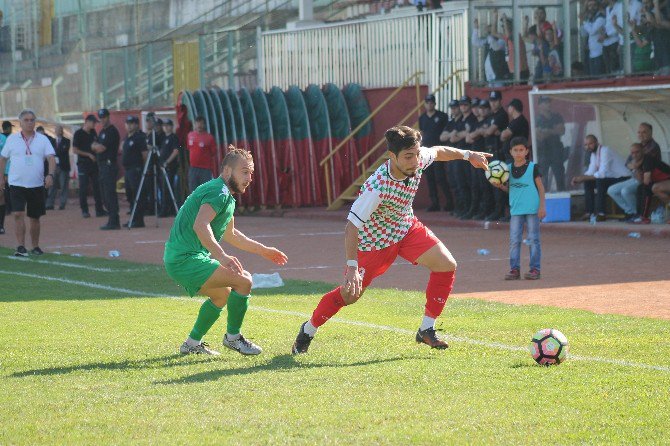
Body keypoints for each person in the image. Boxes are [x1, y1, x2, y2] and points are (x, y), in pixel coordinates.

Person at [290, 125, 491, 355]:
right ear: (391, 156)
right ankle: (308, 330)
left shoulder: (416, 159)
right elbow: (351, 226)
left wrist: (468, 155)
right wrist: (352, 267)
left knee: (446, 265)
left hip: (406, 229)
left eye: (416, 154)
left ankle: (427, 329)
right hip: (374, 244)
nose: (415, 161)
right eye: (408, 156)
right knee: (349, 296)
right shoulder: (377, 187)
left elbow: (437, 151)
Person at [164, 146, 288, 356]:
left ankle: (191, 343)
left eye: (251, 173)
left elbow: (232, 235)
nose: (249, 178)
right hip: (185, 260)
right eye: (244, 172)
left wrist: (264, 250)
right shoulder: (218, 192)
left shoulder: (225, 195)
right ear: (228, 171)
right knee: (244, 280)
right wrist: (222, 256)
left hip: (183, 259)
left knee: (222, 295)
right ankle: (233, 338)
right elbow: (200, 225)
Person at [0, 109, 55, 256]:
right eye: (26, 120)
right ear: (20, 123)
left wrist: (50, 174)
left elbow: (51, 157)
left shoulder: (43, 139)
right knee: (18, 213)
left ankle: (35, 246)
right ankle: (20, 246)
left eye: (32, 120)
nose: (30, 122)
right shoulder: (12, 139)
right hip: (16, 183)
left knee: (34, 217)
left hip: (36, 184)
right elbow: (3, 158)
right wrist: (1, 177)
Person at [492, 137, 546, 280]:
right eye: (515, 150)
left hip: (533, 209)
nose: (518, 153)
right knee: (514, 240)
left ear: (527, 151)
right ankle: (514, 269)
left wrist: (542, 206)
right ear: (510, 152)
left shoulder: (533, 167)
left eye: (521, 150)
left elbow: (541, 188)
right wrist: (501, 186)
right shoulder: (507, 169)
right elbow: (512, 189)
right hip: (516, 209)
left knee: (533, 239)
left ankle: (535, 269)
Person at [571, 135, 630, 221]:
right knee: (588, 182)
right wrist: (579, 178)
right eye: (586, 145)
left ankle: (601, 213)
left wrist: (582, 178)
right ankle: (589, 212)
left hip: (623, 177)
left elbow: (602, 173)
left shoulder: (605, 151)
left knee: (600, 181)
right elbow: (590, 172)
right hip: (611, 178)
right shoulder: (594, 154)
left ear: (597, 142)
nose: (588, 147)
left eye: (590, 144)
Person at [419, 94, 452, 212]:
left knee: (440, 177)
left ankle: (449, 202)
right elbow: (422, 134)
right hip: (426, 153)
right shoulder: (422, 118)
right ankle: (435, 203)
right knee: (430, 179)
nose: (429, 104)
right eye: (427, 102)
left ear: (435, 103)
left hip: (438, 152)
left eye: (431, 102)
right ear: (425, 104)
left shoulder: (442, 116)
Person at [449, 96, 478, 218]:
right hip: (458, 154)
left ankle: (470, 209)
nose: (463, 107)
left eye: (465, 105)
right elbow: (452, 137)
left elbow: (466, 135)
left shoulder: (472, 119)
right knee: (459, 182)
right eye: (461, 105)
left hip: (468, 154)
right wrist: (462, 134)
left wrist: (459, 134)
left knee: (469, 183)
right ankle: (463, 208)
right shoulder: (460, 120)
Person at [92, 108, 121, 230]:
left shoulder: (112, 131)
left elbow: (100, 148)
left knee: (110, 193)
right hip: (102, 165)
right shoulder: (102, 132)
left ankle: (114, 220)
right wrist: (95, 146)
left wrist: (95, 146)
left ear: (108, 117)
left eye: (104, 117)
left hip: (109, 165)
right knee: (104, 194)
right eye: (100, 118)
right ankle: (111, 218)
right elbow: (94, 145)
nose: (102, 120)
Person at [73, 114, 106, 219]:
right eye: (93, 122)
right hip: (83, 164)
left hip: (94, 164)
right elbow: (75, 150)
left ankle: (99, 210)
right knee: (83, 187)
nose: (95, 125)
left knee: (97, 187)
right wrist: (88, 154)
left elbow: (96, 144)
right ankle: (84, 210)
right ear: (87, 122)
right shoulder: (78, 133)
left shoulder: (93, 133)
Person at [535, 96, 566, 191]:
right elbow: (539, 135)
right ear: (540, 105)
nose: (548, 104)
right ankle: (543, 201)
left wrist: (546, 131)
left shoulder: (557, 116)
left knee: (560, 178)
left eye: (549, 102)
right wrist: (553, 130)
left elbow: (562, 130)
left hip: (556, 151)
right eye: (545, 102)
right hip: (543, 151)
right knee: (543, 179)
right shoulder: (537, 119)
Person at [122, 116, 148, 228]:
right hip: (128, 170)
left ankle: (138, 220)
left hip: (136, 169)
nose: (129, 125)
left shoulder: (139, 137)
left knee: (137, 195)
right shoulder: (127, 137)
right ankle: (133, 217)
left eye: (132, 123)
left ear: (137, 125)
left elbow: (145, 155)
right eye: (128, 123)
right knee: (130, 194)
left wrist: (142, 169)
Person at [607, 143, 645, 221]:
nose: (634, 155)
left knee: (625, 191)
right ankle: (629, 212)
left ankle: (636, 214)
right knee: (611, 190)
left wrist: (635, 168)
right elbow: (627, 164)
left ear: (643, 151)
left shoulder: (646, 159)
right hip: (633, 179)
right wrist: (634, 167)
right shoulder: (632, 157)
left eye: (637, 152)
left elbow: (641, 179)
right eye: (632, 152)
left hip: (643, 181)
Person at [635, 154, 670, 223]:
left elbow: (646, 181)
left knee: (653, 188)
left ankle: (643, 216)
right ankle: (641, 216)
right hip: (663, 182)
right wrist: (636, 169)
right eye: (632, 153)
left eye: (636, 153)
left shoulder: (648, 160)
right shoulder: (638, 163)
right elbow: (641, 181)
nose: (634, 155)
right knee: (642, 188)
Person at [187, 116, 216, 193]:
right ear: (195, 124)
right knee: (193, 191)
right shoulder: (190, 135)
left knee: (205, 191)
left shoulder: (209, 137)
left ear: (204, 125)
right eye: (197, 123)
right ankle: (195, 205)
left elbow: (213, 152)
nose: (199, 125)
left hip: (205, 169)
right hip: (193, 168)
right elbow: (188, 148)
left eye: (201, 124)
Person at [158, 118, 181, 217]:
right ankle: (167, 208)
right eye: (164, 126)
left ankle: (167, 209)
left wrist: (167, 162)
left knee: (168, 188)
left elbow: (176, 151)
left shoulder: (173, 137)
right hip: (163, 167)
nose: (166, 127)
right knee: (164, 188)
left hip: (170, 167)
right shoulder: (164, 138)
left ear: (171, 126)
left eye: (168, 125)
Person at [45, 125, 71, 211]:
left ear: (62, 131)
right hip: (54, 166)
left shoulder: (67, 141)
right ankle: (50, 204)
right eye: (56, 130)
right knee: (52, 185)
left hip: (63, 167)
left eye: (59, 130)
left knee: (63, 185)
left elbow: (63, 151)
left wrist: (54, 152)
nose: (58, 131)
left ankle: (62, 203)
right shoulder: (52, 141)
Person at [580, 0, 606, 76]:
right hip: (591, 53)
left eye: (594, 5)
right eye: (590, 6)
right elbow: (583, 33)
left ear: (598, 6)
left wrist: (584, 21)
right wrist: (583, 22)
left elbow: (592, 31)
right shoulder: (590, 19)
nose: (592, 8)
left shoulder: (600, 17)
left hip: (600, 53)